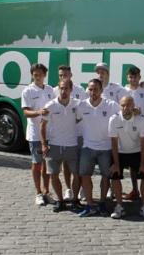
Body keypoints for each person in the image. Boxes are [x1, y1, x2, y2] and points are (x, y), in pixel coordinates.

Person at [77, 79, 120, 217]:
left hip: (106, 148)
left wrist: (136, 110)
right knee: (85, 175)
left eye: (96, 89)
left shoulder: (111, 105)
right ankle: (90, 205)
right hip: (87, 146)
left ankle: (102, 203)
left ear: (102, 90)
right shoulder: (81, 106)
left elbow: (125, 111)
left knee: (106, 177)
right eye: (90, 89)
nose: (93, 92)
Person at [40, 79, 82, 213]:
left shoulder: (77, 104)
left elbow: (80, 118)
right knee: (54, 174)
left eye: (66, 89)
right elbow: (42, 125)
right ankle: (60, 201)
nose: (64, 91)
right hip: (54, 145)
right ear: (59, 89)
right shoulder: (50, 105)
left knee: (77, 174)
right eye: (61, 88)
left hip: (72, 145)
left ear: (71, 90)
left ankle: (75, 200)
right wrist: (44, 145)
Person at [108, 96, 144, 219]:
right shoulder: (114, 119)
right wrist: (116, 164)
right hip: (120, 152)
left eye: (128, 105)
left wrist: (143, 164)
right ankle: (119, 206)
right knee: (115, 175)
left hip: (137, 152)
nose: (125, 108)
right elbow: (114, 143)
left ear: (133, 106)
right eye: (122, 105)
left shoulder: (141, 119)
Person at [122, 66, 144, 201]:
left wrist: (140, 112)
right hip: (128, 132)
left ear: (139, 77)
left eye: (135, 77)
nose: (133, 79)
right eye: (131, 77)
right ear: (127, 77)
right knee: (132, 163)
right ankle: (135, 190)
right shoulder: (123, 90)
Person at [21, 63, 54, 206]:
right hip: (35, 135)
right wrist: (39, 112)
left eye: (40, 74)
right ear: (32, 75)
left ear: (45, 74)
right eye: (35, 74)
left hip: (50, 133)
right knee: (37, 164)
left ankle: (47, 192)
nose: (37, 76)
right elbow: (26, 112)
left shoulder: (50, 90)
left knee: (48, 165)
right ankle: (38, 193)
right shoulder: (27, 91)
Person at [53, 65, 87, 203]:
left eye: (65, 74)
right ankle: (69, 189)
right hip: (63, 135)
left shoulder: (80, 90)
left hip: (78, 133)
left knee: (79, 164)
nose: (63, 77)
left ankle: (82, 189)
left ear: (71, 74)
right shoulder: (55, 90)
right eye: (61, 75)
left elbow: (85, 108)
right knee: (66, 164)